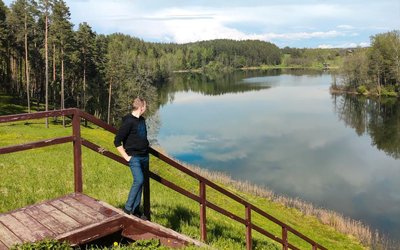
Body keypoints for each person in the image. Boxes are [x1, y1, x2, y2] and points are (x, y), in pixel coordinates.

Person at [114, 97, 149, 219]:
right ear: (141, 107)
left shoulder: (142, 120)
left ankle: (136, 210)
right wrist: (126, 157)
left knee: (142, 182)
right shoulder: (128, 122)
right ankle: (127, 209)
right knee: (138, 180)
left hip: (145, 156)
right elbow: (117, 141)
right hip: (134, 157)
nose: (146, 108)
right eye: (145, 106)